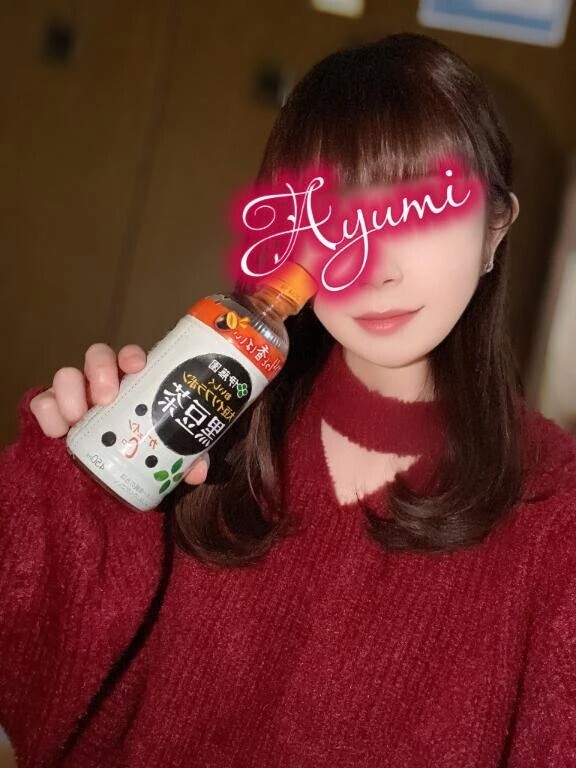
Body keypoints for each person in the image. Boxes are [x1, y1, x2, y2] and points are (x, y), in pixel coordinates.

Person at [1, 32, 575, 768]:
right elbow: (40, 702)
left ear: (495, 229)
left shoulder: (556, 518)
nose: (375, 269)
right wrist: (74, 498)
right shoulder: (201, 435)